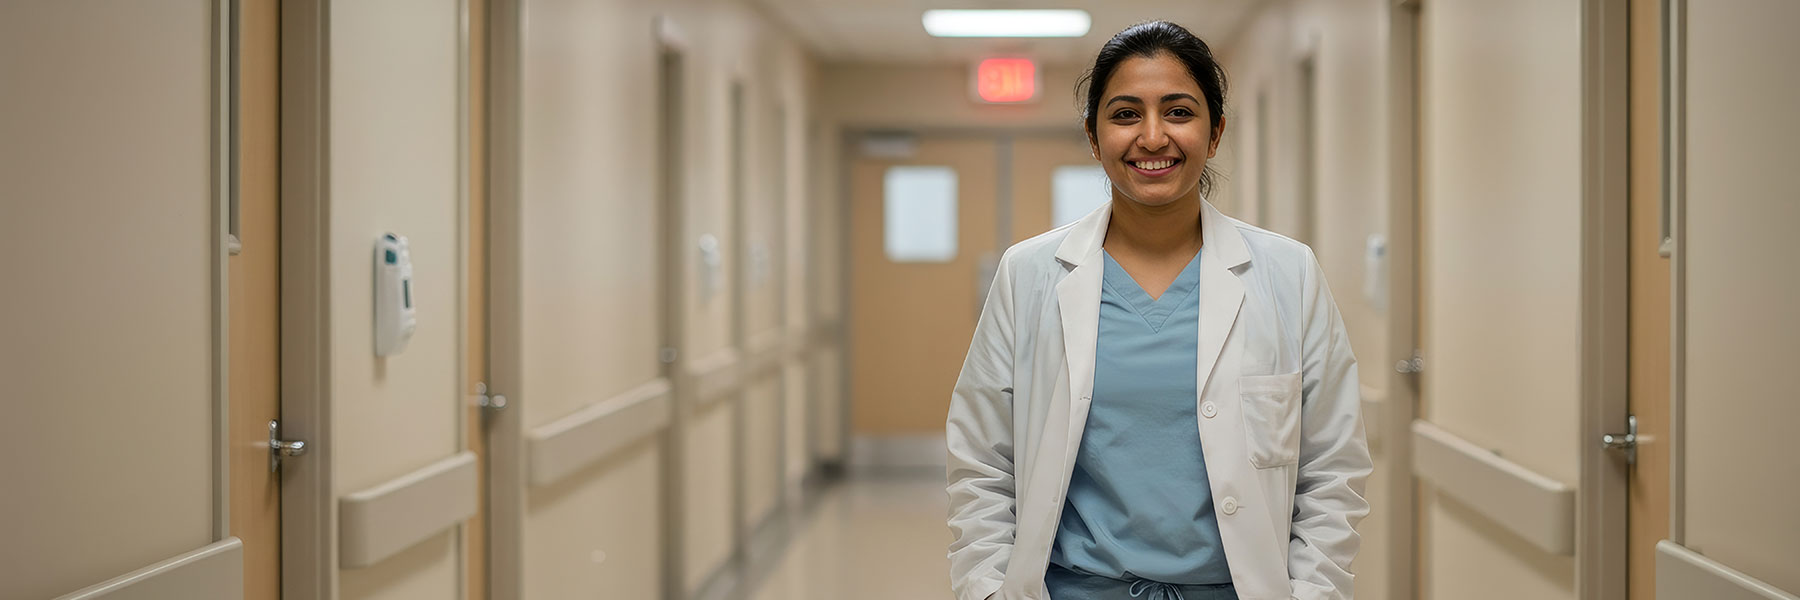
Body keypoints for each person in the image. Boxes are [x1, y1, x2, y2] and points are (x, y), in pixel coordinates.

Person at [945, 20, 1371, 600]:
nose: (1152, 137)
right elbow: (981, 459)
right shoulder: (1030, 274)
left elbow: (1332, 466)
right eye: (1124, 114)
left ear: (1215, 132)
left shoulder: (1287, 272)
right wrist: (988, 588)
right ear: (1094, 139)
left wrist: (1313, 591)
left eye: (1178, 112)